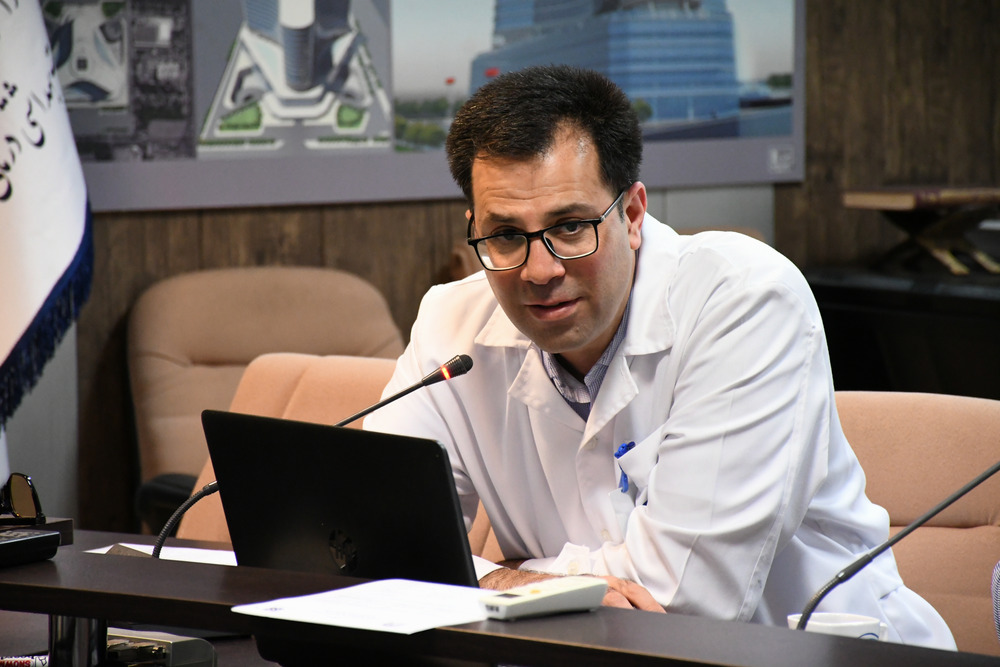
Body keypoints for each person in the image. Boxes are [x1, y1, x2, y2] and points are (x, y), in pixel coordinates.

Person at [364, 65, 955, 648]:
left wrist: (493, 577)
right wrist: (506, 581)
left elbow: (684, 601)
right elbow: (373, 545)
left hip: (815, 651)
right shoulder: (449, 324)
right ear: (475, 228)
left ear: (632, 215)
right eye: (505, 236)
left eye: (570, 227)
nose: (539, 271)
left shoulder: (746, 302)